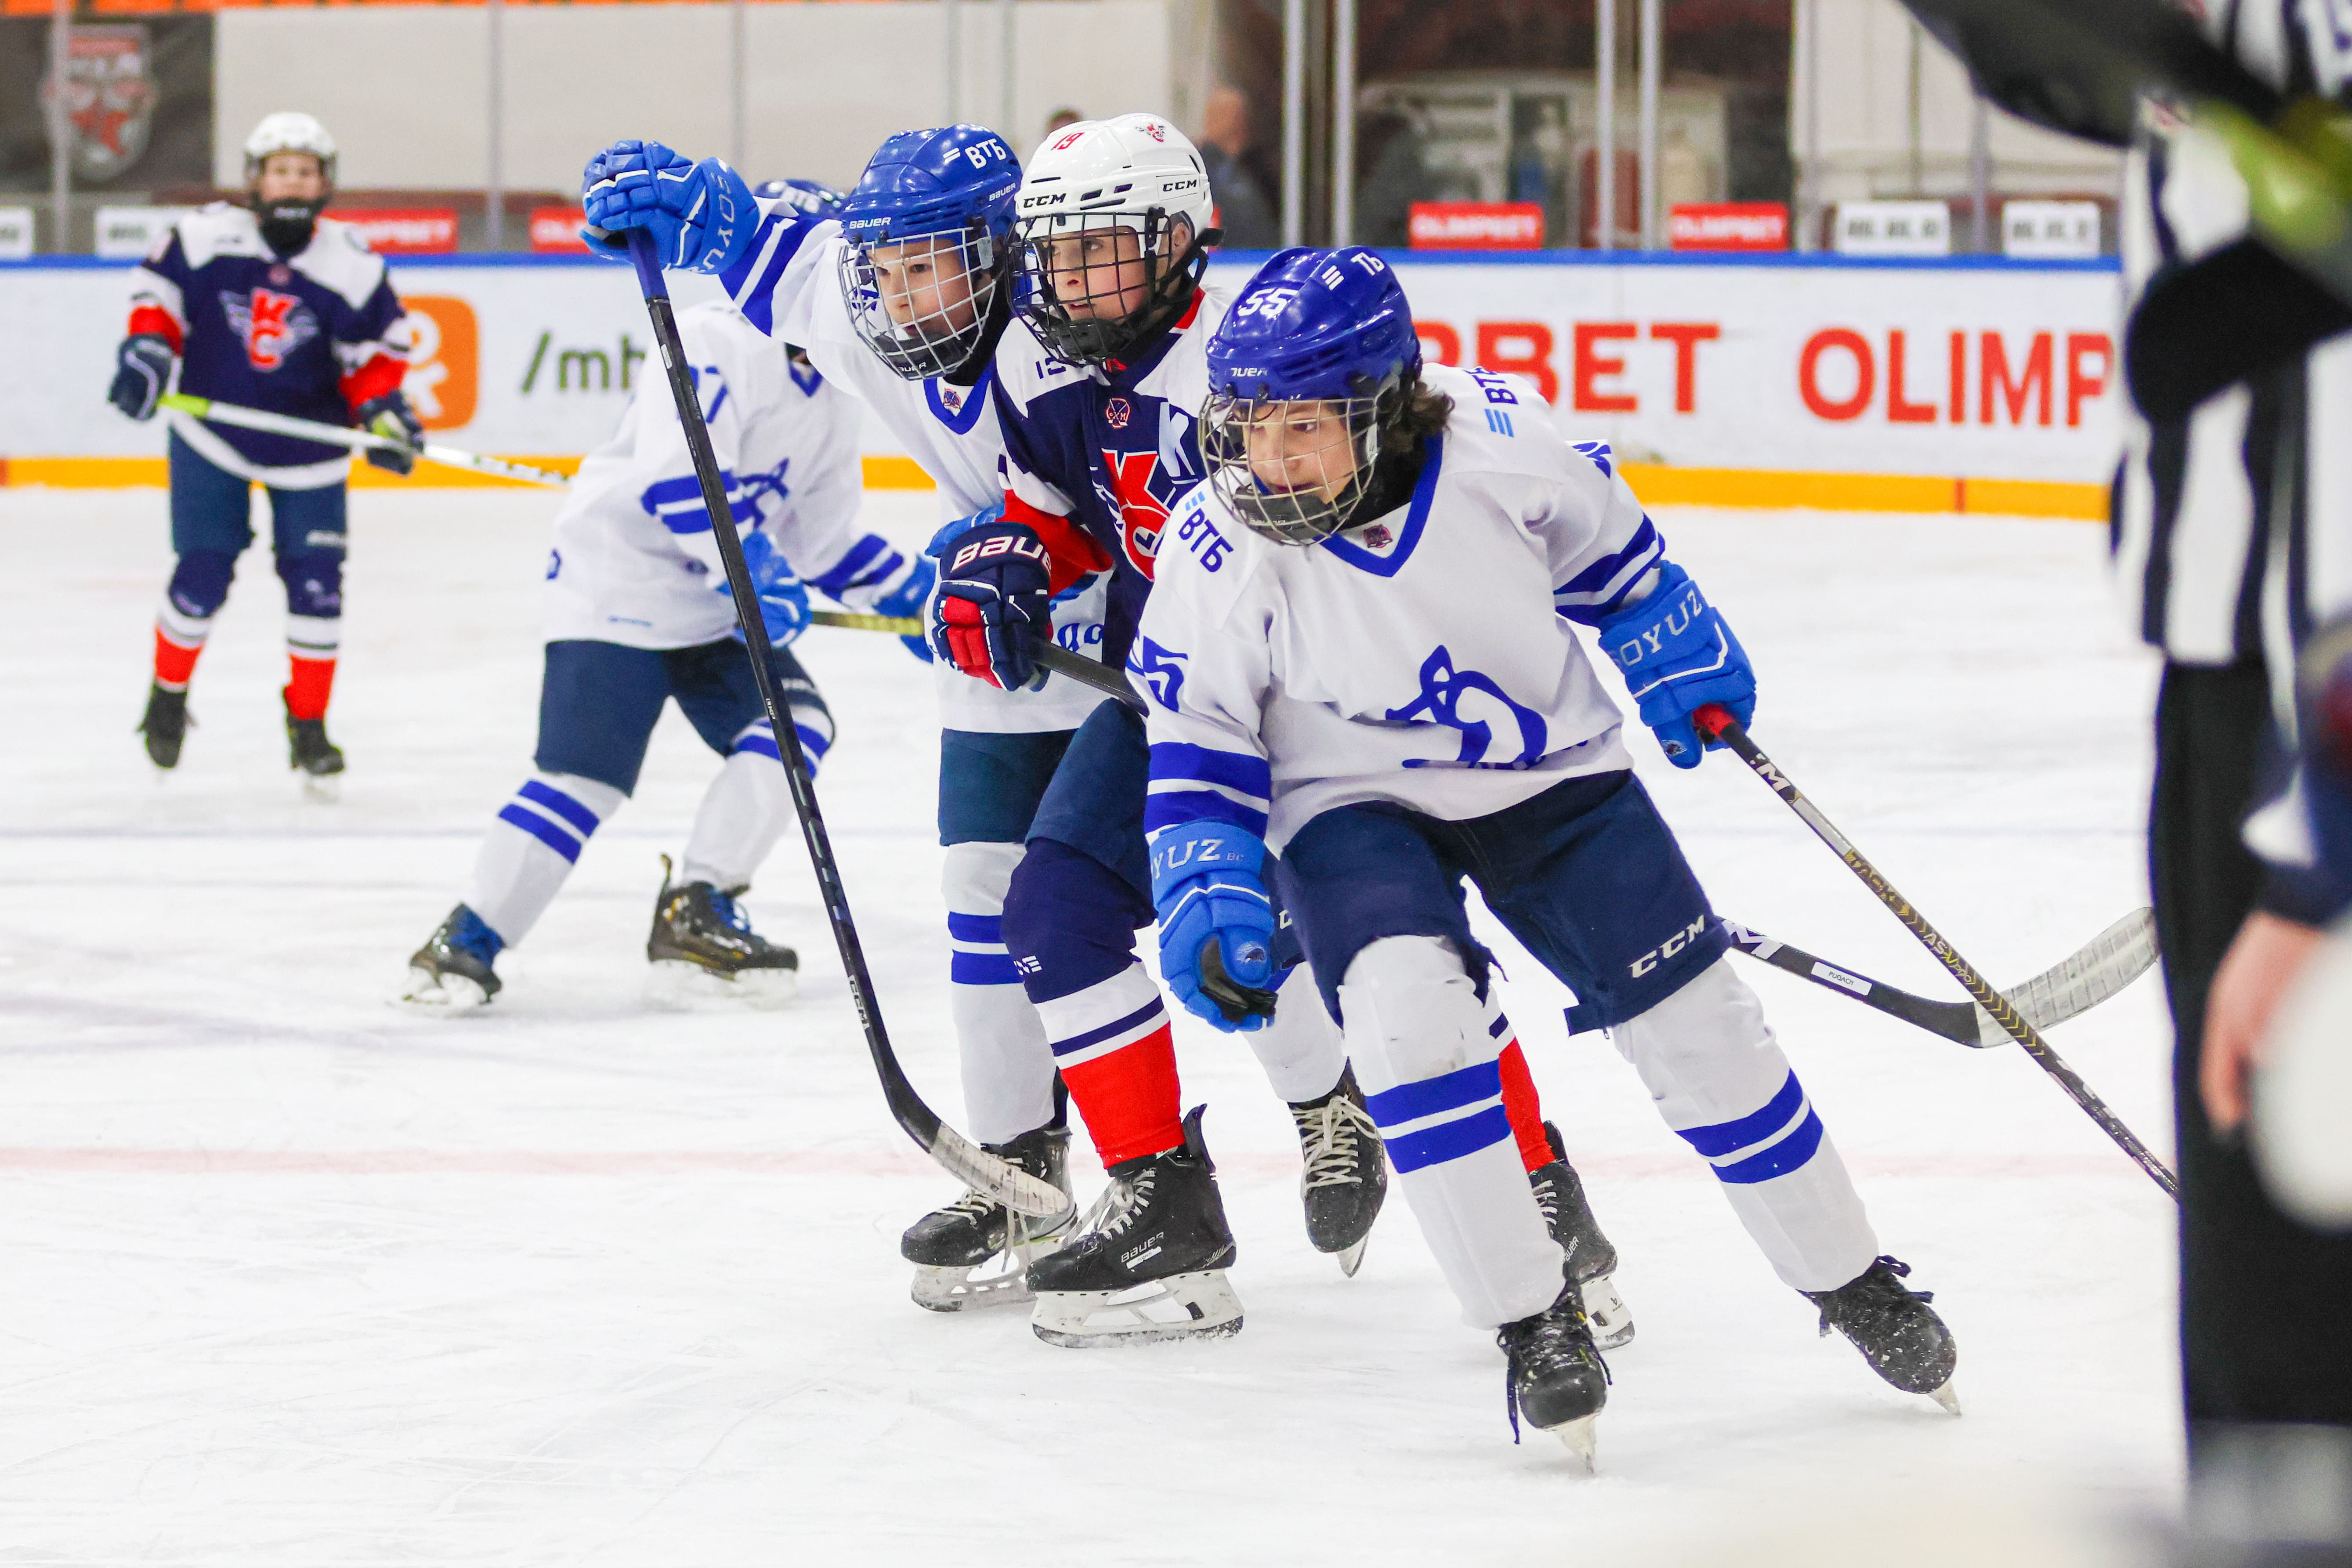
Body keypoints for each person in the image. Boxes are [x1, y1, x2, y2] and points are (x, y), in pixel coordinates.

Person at [1135, 246, 1961, 1459]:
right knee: (1410, 1025)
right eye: (1249, 425)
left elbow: (1622, 567)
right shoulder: (1220, 540)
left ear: (1383, 405)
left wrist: (1666, 636)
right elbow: (1197, 725)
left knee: (1704, 1033)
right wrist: (1203, 866)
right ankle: (1533, 1322)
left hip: (1555, 781)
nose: (1268, 459)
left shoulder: (1506, 448)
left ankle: (1848, 1276)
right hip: (1346, 804)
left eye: (1302, 426)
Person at [574, 130, 1393, 1314]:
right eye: (886, 271)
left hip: (1140, 630)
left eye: (929, 267)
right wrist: (691, 206)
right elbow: (766, 246)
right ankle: (1022, 1167)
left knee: (1214, 890)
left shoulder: (1067, 325)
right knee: (988, 897)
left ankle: (1326, 1100)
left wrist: (1020, 549)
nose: (900, 299)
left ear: (1004, 253)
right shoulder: (885, 299)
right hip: (999, 627)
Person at [940, 115, 1629, 1347]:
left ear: (1179, 241)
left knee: (1397, 956)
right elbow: (1059, 512)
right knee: (1052, 907)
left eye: (1102, 250)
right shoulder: (1035, 369)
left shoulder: (1259, 349)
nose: (1070, 281)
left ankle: (1538, 1191)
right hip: (1187, 691)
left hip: (1328, 690)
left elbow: (1421, 480)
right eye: (1054, 253)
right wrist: (1005, 557)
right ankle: (1167, 1206)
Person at [401, 259, 921, 1009]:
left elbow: (823, 540)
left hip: (716, 603)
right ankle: (469, 935)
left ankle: (698, 902)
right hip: (621, 586)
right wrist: (758, 576)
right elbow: (680, 482)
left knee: (794, 725)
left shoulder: (838, 389)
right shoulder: (713, 339)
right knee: (585, 776)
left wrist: (914, 593)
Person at [109, 111, 422, 795]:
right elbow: (156, 299)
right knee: (202, 576)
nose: (292, 182)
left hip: (310, 450)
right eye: (280, 169)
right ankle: (168, 692)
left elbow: (374, 357)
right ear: (255, 178)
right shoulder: (202, 237)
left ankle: (308, 725)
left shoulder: (354, 265)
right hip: (212, 441)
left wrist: (383, 413)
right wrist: (148, 349)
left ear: (325, 185)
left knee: (317, 589)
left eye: (305, 172)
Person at [1196, 87, 1277, 248]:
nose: (1236, 122)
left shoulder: (1258, 168)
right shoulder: (1198, 168)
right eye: (1221, 114)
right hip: (1221, 262)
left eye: (1239, 115)